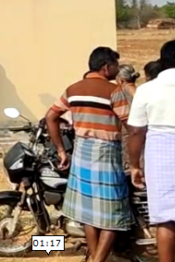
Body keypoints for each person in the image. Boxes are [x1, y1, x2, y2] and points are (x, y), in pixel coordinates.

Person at [46, 47, 132, 262]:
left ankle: (95, 256)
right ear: (106, 67)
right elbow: (131, 126)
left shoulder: (73, 89)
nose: (117, 69)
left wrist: (60, 150)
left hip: (81, 152)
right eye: (115, 65)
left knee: (88, 211)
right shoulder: (114, 91)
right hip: (106, 153)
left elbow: (50, 117)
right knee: (111, 211)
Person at [127, 39, 175, 261]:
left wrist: (135, 165)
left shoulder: (145, 90)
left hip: (160, 158)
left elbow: (136, 132)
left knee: (165, 221)